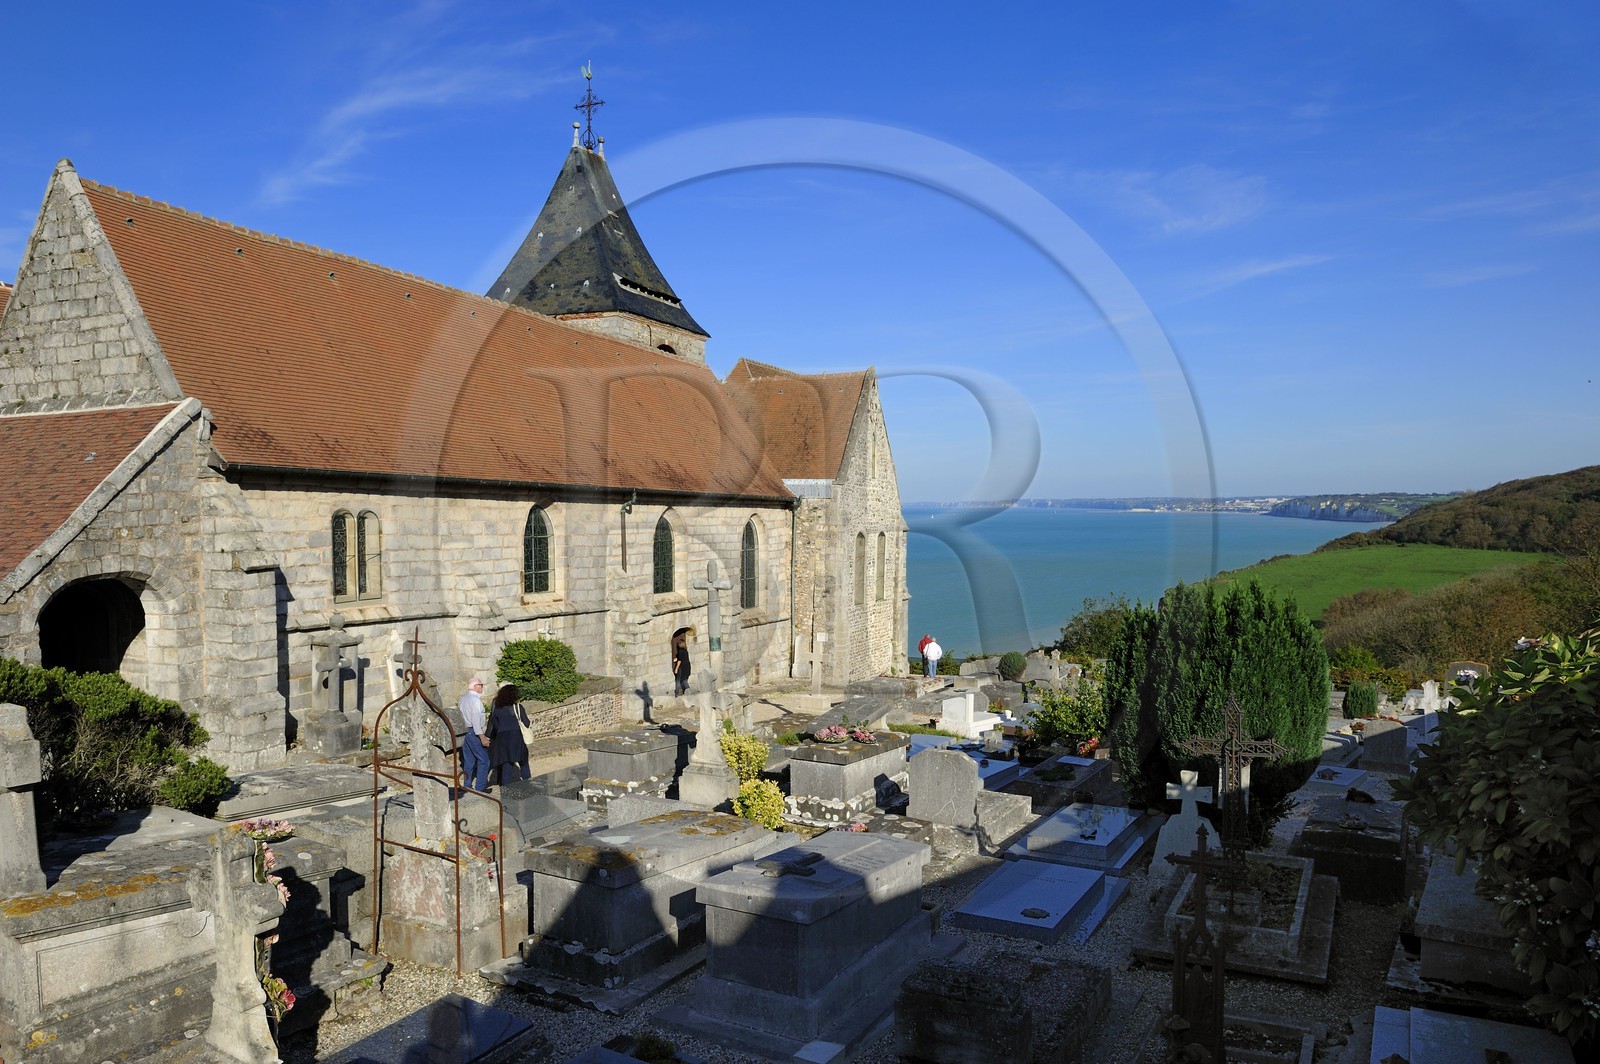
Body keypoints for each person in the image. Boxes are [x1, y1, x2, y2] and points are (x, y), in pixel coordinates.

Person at [487, 684, 530, 788]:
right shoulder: (518, 708)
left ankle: (505, 789)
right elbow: (526, 723)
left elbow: (495, 726)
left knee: (506, 764)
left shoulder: (497, 709)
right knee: (523, 763)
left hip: (503, 739)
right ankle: (528, 785)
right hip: (517, 738)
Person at [457, 677, 490, 792]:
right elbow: (476, 719)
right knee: (484, 760)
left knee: (469, 761)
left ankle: (466, 785)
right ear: (476, 687)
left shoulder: (463, 699)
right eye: (481, 685)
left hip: (465, 732)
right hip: (474, 732)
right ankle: (480, 788)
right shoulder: (475, 700)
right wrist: (482, 736)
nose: (482, 687)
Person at [671, 627, 693, 697]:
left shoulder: (680, 651)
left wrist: (676, 668)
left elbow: (680, 661)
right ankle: (688, 691)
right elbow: (681, 658)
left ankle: (677, 693)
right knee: (684, 680)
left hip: (682, 668)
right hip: (687, 667)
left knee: (679, 680)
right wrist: (676, 659)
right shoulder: (685, 651)